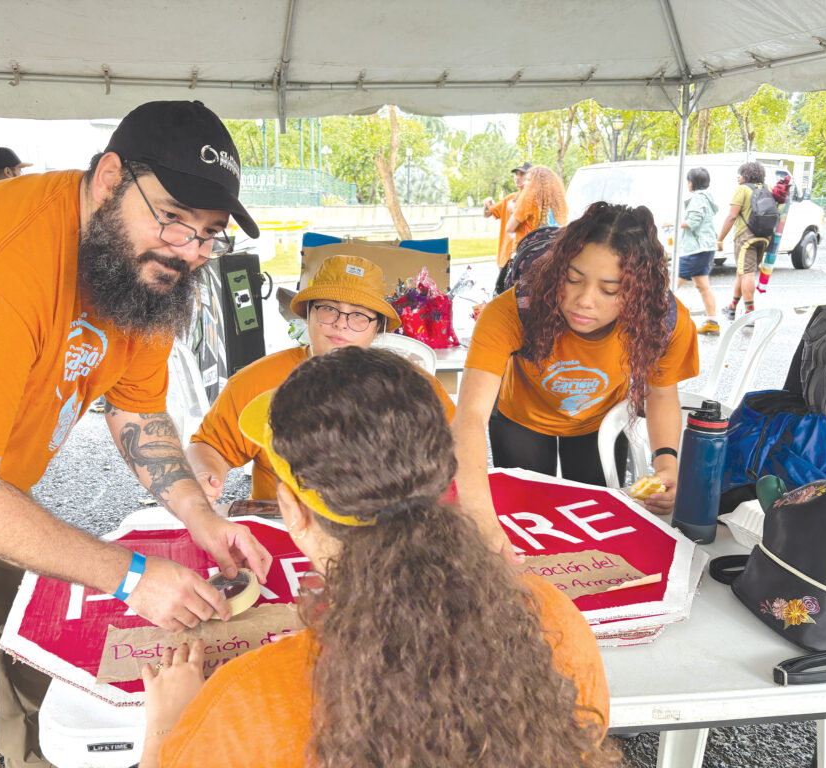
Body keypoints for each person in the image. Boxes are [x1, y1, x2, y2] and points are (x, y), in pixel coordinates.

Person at [0, 101, 273, 768]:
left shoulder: (143, 271)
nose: (189, 252)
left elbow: (140, 415)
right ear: (110, 177)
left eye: (209, 234)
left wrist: (201, 517)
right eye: (174, 219)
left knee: (32, 661)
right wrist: (132, 577)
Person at [140, 347, 617, 768]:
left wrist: (167, 726)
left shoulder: (247, 700)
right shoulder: (554, 621)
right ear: (442, 479)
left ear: (291, 510)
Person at [452, 202, 698, 553]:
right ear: (557, 271)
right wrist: (479, 513)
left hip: (598, 423)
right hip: (520, 418)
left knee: (592, 528)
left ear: (639, 293)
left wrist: (667, 465)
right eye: (573, 279)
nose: (584, 301)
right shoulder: (510, 311)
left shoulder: (663, 321)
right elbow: (470, 417)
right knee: (525, 524)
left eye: (610, 290)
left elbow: (660, 396)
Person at [186, 254, 456, 503]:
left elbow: (459, 449)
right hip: (283, 530)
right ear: (309, 314)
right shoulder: (256, 381)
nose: (341, 323)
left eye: (359, 315)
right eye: (329, 309)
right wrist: (206, 476)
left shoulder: (414, 387)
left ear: (377, 328)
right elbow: (210, 446)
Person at [718, 161, 770, 319]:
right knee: (741, 272)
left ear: (746, 175)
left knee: (746, 274)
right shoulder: (767, 189)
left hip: (746, 238)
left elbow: (732, 216)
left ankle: (749, 314)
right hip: (765, 237)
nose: (738, 177)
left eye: (740, 174)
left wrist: (720, 239)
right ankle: (732, 307)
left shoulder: (742, 190)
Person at [672, 167, 720, 335]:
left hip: (696, 249)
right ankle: (712, 322)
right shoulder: (707, 197)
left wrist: (672, 223)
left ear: (691, 183)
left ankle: (655, 318)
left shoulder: (698, 198)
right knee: (702, 285)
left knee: (671, 284)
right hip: (706, 247)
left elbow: (693, 222)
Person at [482, 160, 531, 268]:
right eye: (516, 174)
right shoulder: (510, 198)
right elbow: (488, 213)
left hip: (523, 259)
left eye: (522, 174)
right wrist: (486, 205)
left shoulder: (533, 201)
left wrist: (514, 210)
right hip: (505, 259)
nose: (517, 177)